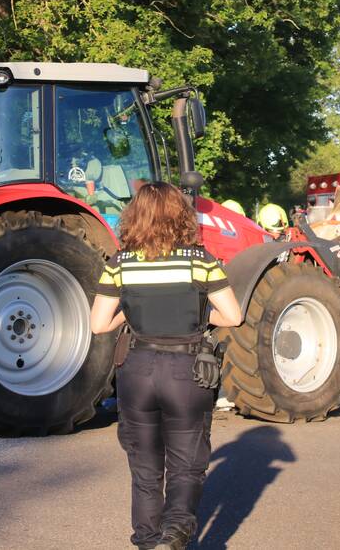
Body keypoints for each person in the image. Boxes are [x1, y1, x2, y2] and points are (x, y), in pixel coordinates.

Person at [90, 182, 243, 550]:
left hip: (137, 369)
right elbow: (233, 316)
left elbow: (98, 324)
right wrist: (199, 320)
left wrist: (132, 311)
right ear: (180, 216)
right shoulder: (200, 261)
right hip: (186, 371)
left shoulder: (120, 263)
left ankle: (147, 541)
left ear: (135, 217)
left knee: (144, 469)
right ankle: (174, 535)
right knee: (186, 464)